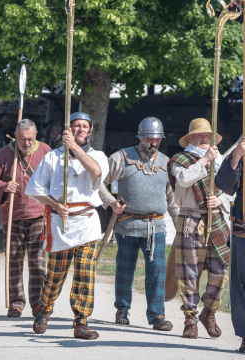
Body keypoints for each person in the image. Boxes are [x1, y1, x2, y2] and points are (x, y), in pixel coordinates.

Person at [25, 112, 109, 340]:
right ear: (68, 129)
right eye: (76, 126)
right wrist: (55, 204)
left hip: (87, 223)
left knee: (85, 272)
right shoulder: (53, 157)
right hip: (60, 223)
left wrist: (74, 148)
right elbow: (35, 189)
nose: (80, 129)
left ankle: (81, 322)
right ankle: (44, 310)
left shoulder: (98, 156)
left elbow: (96, 172)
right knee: (55, 275)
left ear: (90, 130)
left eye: (84, 126)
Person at [98, 117, 179, 331]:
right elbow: (99, 184)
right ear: (140, 137)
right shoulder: (121, 158)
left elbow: (172, 200)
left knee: (157, 272)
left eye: (157, 140)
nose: (153, 144)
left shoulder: (166, 162)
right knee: (125, 270)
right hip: (127, 225)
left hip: (156, 227)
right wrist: (112, 202)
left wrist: (181, 226)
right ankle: (122, 310)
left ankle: (157, 315)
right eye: (150, 140)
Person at [167, 118, 230, 339]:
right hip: (190, 219)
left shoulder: (219, 159)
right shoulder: (179, 159)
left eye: (208, 136)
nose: (205, 139)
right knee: (188, 273)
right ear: (190, 138)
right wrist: (204, 160)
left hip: (216, 219)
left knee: (220, 271)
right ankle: (190, 319)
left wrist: (220, 200)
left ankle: (208, 312)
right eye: (200, 136)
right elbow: (184, 180)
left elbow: (231, 188)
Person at [0, 119, 51, 317]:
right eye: (23, 139)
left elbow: (55, 177)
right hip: (12, 214)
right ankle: (16, 302)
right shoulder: (3, 154)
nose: (27, 143)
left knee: (38, 261)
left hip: (38, 214)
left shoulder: (45, 151)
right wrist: (3, 186)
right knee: (14, 260)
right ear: (15, 136)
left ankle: (38, 303)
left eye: (30, 139)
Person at [215, 136, 245, 353]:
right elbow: (223, 185)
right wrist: (236, 155)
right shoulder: (241, 154)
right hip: (242, 230)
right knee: (241, 287)